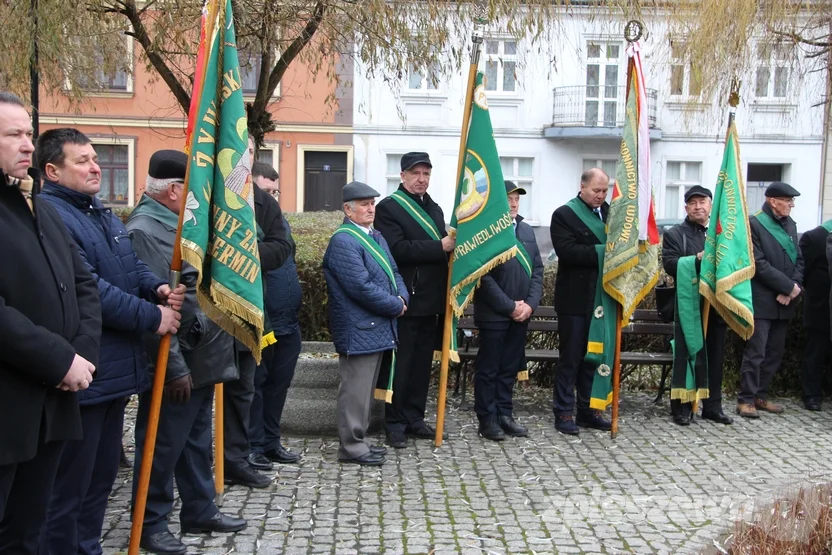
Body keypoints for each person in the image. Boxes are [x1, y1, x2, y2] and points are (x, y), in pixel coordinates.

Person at [36, 128, 185, 555]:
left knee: (99, 484)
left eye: (94, 158)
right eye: (81, 160)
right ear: (53, 170)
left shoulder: (97, 210)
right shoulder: (52, 216)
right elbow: (93, 291)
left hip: (113, 374)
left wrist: (156, 287)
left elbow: (128, 264)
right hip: (84, 374)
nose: (95, 166)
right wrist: (154, 317)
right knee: (68, 490)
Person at [127, 150, 245, 555]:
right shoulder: (146, 229)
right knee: (161, 445)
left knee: (194, 442)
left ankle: (198, 509)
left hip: (201, 356)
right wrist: (173, 366)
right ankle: (150, 522)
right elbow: (157, 306)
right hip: (177, 361)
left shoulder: (179, 224)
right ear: (176, 190)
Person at [0, 92, 102, 554]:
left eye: (28, 133)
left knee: (30, 531)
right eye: (13, 134)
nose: (27, 144)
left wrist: (82, 356)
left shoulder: (38, 206)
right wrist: (61, 360)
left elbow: (84, 288)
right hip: (10, 402)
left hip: (54, 404)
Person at [222, 140, 292, 487]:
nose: (241, 156)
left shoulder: (263, 202)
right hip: (206, 314)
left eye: (247, 151)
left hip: (249, 309)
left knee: (243, 389)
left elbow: (282, 246)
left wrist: (241, 252)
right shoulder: (204, 192)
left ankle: (235, 459)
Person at [323, 181, 408, 466]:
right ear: (347, 209)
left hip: (374, 326)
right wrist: (396, 304)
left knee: (365, 390)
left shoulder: (375, 236)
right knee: (355, 390)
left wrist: (402, 295)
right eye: (364, 204)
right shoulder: (344, 240)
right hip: (358, 328)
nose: (370, 208)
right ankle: (351, 447)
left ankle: (358, 441)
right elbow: (360, 287)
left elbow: (394, 270)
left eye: (372, 203)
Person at [374, 152, 453, 448]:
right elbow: (397, 249)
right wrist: (439, 246)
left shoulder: (434, 208)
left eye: (426, 174)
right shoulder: (389, 208)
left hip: (432, 299)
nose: (422, 179)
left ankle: (414, 418)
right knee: (402, 365)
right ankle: (393, 422)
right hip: (407, 299)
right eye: (416, 173)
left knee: (422, 365)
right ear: (403, 175)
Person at [473, 181, 544, 440]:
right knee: (489, 369)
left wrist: (529, 305)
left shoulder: (525, 230)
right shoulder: (487, 232)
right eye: (508, 199)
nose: (513, 203)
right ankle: (487, 419)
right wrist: (509, 306)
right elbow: (482, 276)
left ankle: (505, 413)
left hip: (521, 314)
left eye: (516, 199)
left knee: (508, 368)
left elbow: (537, 270)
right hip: (494, 315)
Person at [661, 185, 733, 426]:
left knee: (715, 357)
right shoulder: (674, 234)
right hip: (688, 305)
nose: (698, 206)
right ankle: (681, 406)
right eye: (692, 203)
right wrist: (696, 259)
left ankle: (712, 406)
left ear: (711, 206)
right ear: (686, 207)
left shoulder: (721, 234)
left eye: (702, 202)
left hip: (716, 304)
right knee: (685, 355)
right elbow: (670, 264)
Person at [247, 161, 303, 468]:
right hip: (263, 322)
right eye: (265, 191)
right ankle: (253, 444)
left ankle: (271, 441)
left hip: (287, 323)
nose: (271, 198)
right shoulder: (247, 224)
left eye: (275, 191)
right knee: (256, 386)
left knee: (278, 387)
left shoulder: (278, 221)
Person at [549, 168, 612, 435]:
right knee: (571, 358)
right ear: (582, 186)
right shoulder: (564, 215)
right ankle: (563, 412)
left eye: (605, 191)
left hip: (601, 299)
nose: (600, 196)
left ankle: (588, 410)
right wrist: (606, 251)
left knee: (593, 357)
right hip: (574, 300)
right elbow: (568, 252)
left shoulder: (611, 213)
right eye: (596, 191)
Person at [737, 182, 804, 418]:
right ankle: (745, 399)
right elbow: (758, 264)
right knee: (756, 352)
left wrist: (793, 288)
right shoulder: (754, 224)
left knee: (775, 352)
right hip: (762, 300)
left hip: (785, 301)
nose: (791, 205)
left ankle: (760, 396)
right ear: (772, 201)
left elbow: (799, 260)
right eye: (788, 200)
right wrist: (787, 286)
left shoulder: (791, 225)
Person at [799, 218, 832, 411]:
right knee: (815, 353)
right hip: (820, 306)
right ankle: (811, 395)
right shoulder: (815, 237)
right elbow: (804, 271)